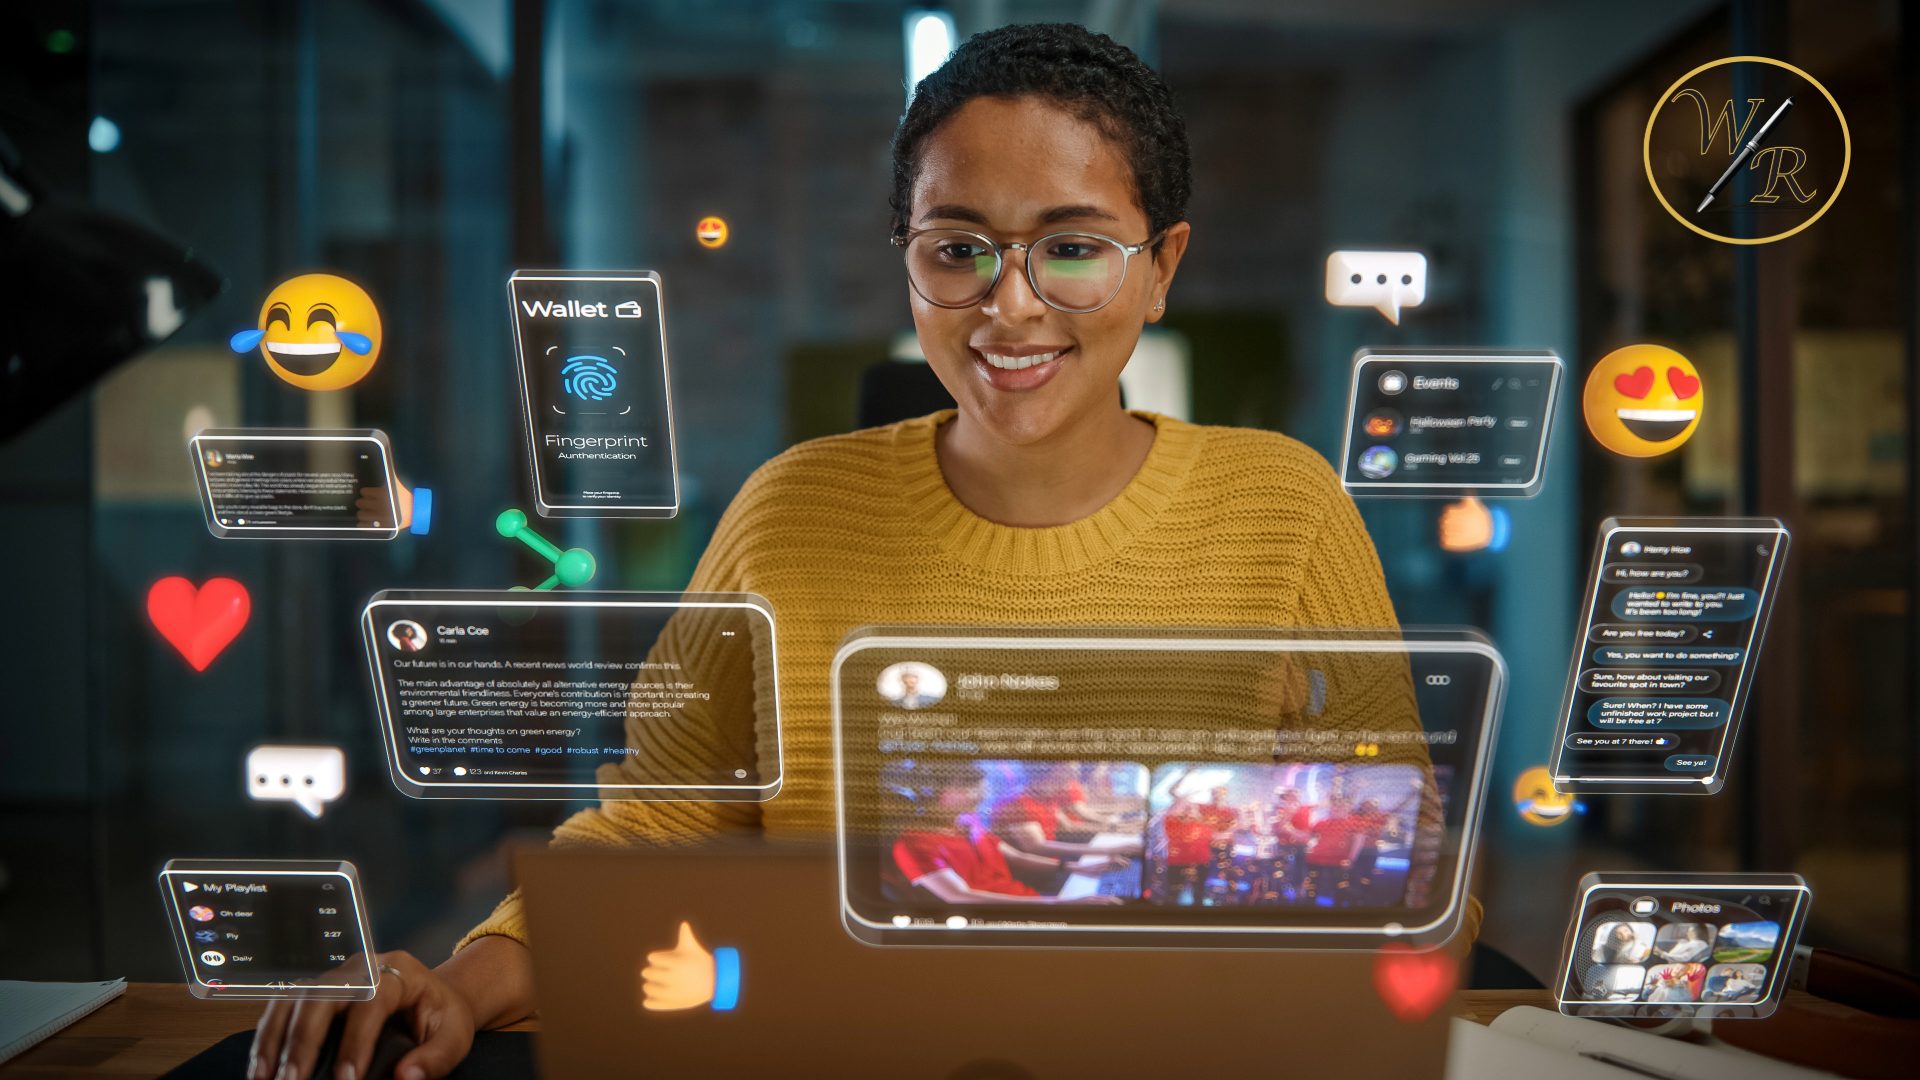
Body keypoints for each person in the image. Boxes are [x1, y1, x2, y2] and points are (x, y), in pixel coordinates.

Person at [249, 24, 1409, 1080]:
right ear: (906, 258)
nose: (1009, 306)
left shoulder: (1286, 510)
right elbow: (657, 829)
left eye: (1073, 247)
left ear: (1161, 267)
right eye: (957, 250)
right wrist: (459, 985)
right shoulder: (787, 514)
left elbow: (1400, 864)